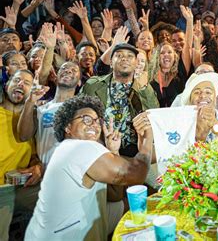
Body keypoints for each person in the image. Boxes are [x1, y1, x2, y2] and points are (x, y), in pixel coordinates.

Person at [25, 95, 154, 240]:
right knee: (148, 199)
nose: (94, 125)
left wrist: (113, 152)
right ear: (68, 127)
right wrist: (146, 141)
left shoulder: (71, 149)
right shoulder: (80, 148)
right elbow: (137, 175)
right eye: (86, 119)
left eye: (97, 121)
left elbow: (114, 196)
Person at [80, 43, 159, 157]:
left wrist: (143, 89)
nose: (124, 58)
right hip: (99, 147)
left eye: (130, 56)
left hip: (134, 151)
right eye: (119, 55)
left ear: (136, 63)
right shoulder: (93, 85)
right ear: (111, 62)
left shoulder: (144, 87)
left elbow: (153, 116)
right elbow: (78, 113)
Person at [0, 70, 42, 240]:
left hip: (22, 187)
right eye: (17, 80)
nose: (20, 84)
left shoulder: (31, 119)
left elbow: (32, 154)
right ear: (7, 85)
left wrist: (38, 166)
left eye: (27, 83)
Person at [17, 62, 81, 166]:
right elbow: (23, 136)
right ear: (56, 77)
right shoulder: (41, 108)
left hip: (70, 171)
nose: (68, 71)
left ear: (79, 82)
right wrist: (29, 102)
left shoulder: (81, 109)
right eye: (64, 68)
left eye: (74, 70)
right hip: (43, 174)